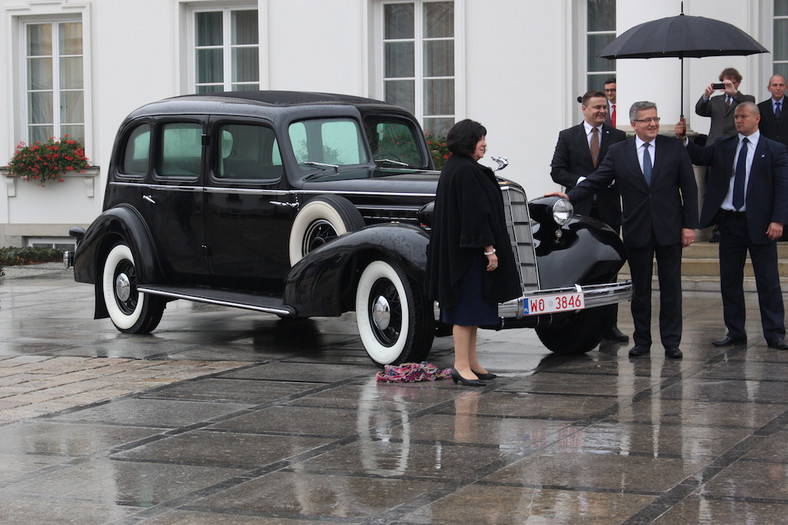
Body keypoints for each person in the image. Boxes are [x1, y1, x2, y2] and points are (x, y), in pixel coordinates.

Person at [548, 101, 698, 359]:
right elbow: (596, 181)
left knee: (671, 288)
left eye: (655, 119)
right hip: (637, 230)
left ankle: (672, 342)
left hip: (670, 229)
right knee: (640, 289)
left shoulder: (673, 148)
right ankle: (642, 341)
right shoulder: (619, 151)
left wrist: (689, 225)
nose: (653, 124)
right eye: (647, 120)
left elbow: (690, 189)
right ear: (635, 124)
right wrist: (569, 197)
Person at [675, 102, 788, 350]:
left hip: (761, 224)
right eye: (736, 117)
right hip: (730, 222)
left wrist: (778, 220)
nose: (738, 121)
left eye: (743, 117)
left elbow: (782, 188)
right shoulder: (725, 145)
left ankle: (775, 332)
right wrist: (684, 140)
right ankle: (735, 331)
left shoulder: (774, 150)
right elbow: (699, 156)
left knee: (768, 281)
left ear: (757, 119)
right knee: (729, 281)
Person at [425, 119, 522, 385]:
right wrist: (489, 249)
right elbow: (475, 215)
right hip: (467, 255)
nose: (485, 143)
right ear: (468, 140)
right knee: (464, 310)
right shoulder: (466, 171)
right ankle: (460, 365)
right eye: (481, 138)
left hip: (463, 252)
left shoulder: (459, 167)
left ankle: (472, 362)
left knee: (473, 308)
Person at [550, 90, 628, 342]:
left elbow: (626, 169)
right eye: (596, 107)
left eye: (604, 108)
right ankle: (579, 321)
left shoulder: (618, 137)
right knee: (580, 265)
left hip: (608, 211)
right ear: (584, 109)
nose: (601, 112)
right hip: (577, 211)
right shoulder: (568, 136)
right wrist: (584, 182)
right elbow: (557, 171)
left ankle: (609, 326)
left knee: (609, 267)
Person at [695, 67, 756, 145]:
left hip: (735, 143)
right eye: (725, 84)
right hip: (715, 142)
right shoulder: (715, 100)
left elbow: (750, 106)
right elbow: (700, 111)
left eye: (732, 83)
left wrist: (734, 94)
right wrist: (706, 96)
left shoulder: (745, 99)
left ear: (738, 83)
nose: (729, 86)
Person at [757, 74, 788, 149]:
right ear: (768, 88)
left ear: (786, 88)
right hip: (768, 150)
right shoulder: (760, 107)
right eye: (774, 85)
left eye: (781, 85)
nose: (778, 88)